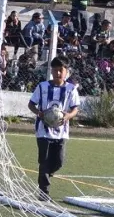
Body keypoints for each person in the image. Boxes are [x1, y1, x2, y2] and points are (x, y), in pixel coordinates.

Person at [28, 56, 80, 200]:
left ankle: (46, 174)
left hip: (61, 132)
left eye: (61, 70)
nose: (58, 73)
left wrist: (67, 116)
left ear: (66, 71)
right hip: (43, 131)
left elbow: (75, 109)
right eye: (55, 70)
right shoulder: (42, 86)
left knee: (59, 162)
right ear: (51, 71)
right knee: (44, 161)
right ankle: (43, 192)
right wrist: (40, 113)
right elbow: (31, 104)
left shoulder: (71, 89)